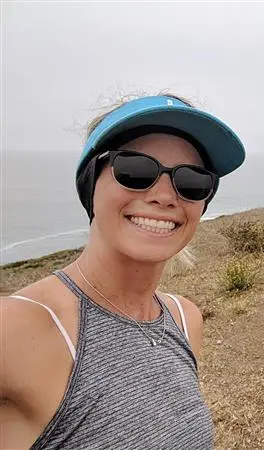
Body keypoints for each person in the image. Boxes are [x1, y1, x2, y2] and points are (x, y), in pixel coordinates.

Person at [0, 94, 245, 449]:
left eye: (192, 181)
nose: (164, 196)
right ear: (90, 185)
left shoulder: (184, 318)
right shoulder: (22, 325)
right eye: (135, 170)